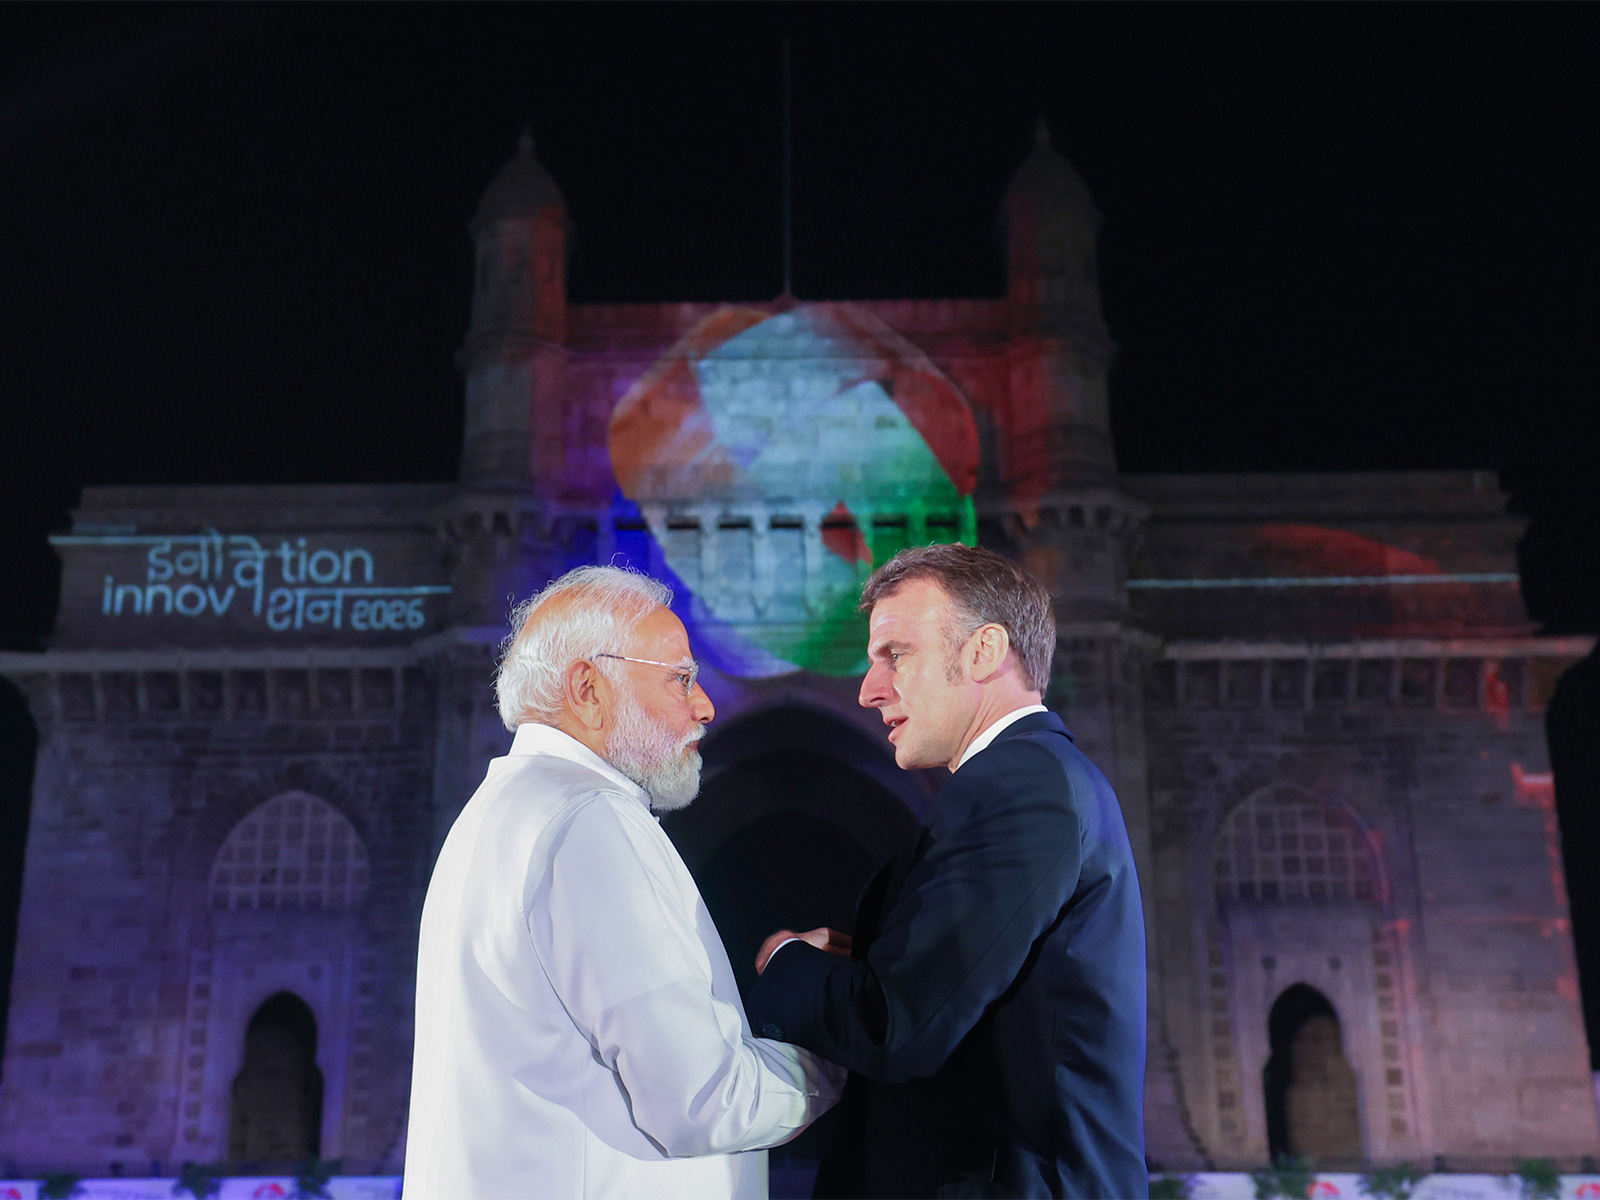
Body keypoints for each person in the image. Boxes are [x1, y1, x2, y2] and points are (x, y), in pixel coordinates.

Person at [404, 565, 842, 1200]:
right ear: (588, 688)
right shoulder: (588, 819)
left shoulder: (498, 812)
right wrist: (840, 1050)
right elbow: (704, 1098)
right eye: (680, 679)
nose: (705, 705)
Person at [747, 544, 1148, 1199]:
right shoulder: (1023, 780)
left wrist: (787, 959)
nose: (869, 689)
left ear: (983, 652)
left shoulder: (1022, 786)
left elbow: (899, 1027)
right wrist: (870, 960)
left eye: (895, 655)